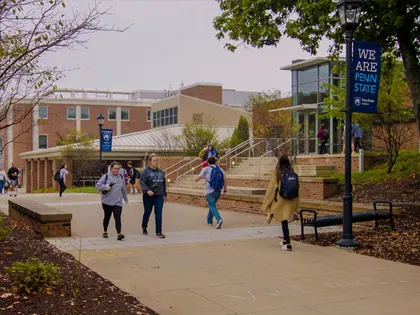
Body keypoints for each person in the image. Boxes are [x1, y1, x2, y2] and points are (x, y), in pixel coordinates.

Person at [262, 155, 300, 251]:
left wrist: (266, 204)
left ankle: (288, 244)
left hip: (281, 199)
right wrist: (297, 207)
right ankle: (284, 240)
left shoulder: (277, 172)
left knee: (283, 221)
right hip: (292, 200)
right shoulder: (292, 172)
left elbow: (272, 188)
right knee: (285, 220)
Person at [96, 161, 128, 241]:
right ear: (111, 168)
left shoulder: (121, 176)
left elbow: (123, 188)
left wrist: (125, 198)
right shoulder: (106, 176)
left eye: (118, 169)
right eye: (115, 168)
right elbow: (98, 186)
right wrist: (106, 187)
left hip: (118, 201)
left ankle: (119, 234)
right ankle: (105, 231)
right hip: (107, 201)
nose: (116, 170)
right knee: (107, 217)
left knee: (117, 217)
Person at [195, 156, 227, 229]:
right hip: (218, 191)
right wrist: (225, 191)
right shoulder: (220, 169)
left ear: (208, 162)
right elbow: (225, 180)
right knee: (212, 205)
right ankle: (209, 221)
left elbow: (197, 179)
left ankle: (219, 219)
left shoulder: (206, 169)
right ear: (215, 162)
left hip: (209, 192)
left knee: (212, 206)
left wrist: (197, 178)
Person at [140, 153, 167, 238]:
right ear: (150, 162)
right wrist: (147, 190)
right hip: (148, 196)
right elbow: (142, 182)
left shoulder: (160, 171)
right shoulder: (146, 171)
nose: (156, 162)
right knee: (147, 212)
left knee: (158, 213)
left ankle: (158, 232)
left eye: (157, 161)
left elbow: (163, 183)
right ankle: (144, 227)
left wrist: (165, 194)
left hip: (159, 195)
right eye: (154, 161)